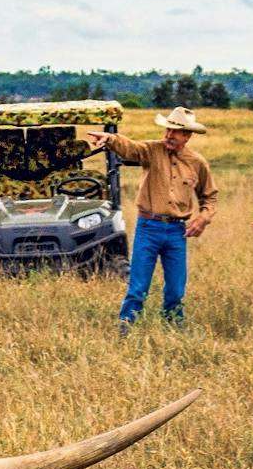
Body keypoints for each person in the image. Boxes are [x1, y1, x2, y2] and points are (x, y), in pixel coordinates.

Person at [83, 105, 218, 329]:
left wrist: (203, 218)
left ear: (187, 135)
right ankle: (126, 328)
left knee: (176, 290)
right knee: (138, 287)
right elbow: (131, 148)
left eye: (174, 131)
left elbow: (210, 197)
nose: (168, 135)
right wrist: (109, 138)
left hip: (177, 231)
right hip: (149, 227)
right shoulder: (152, 151)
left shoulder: (197, 163)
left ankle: (173, 328)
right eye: (167, 130)